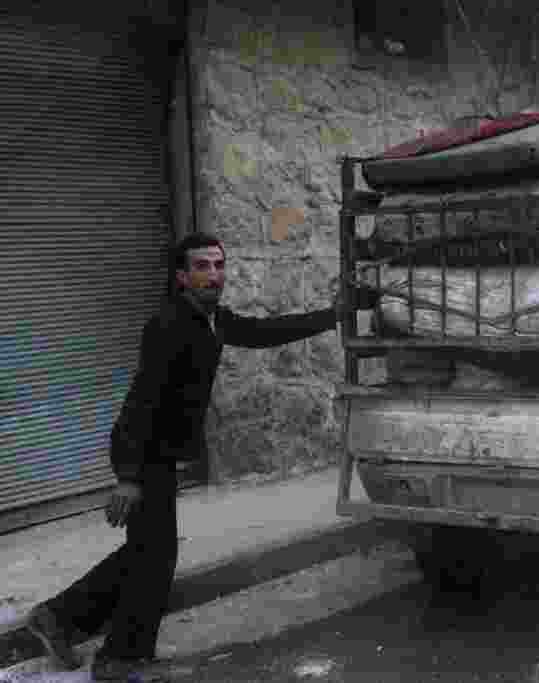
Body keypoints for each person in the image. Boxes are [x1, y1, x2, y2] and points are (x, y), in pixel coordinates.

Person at [24, 233, 375, 682]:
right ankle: (120, 658)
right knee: (156, 555)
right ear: (181, 276)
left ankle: (58, 617)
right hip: (143, 449)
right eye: (203, 267)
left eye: (219, 265)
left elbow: (267, 332)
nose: (214, 275)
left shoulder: (213, 320)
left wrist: (334, 316)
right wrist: (128, 476)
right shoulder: (168, 325)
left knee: (146, 550)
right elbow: (142, 402)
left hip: (160, 453)